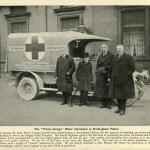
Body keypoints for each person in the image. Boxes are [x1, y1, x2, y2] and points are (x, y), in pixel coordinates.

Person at [108, 44, 135, 115]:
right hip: (115, 79)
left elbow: (132, 68)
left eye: (120, 49)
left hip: (124, 80)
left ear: (123, 49)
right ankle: (119, 108)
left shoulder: (128, 57)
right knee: (117, 94)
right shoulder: (114, 57)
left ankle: (123, 109)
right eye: (117, 49)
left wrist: (127, 75)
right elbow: (111, 67)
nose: (119, 50)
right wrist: (109, 76)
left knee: (123, 95)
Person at [94, 44, 113, 109]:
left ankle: (109, 104)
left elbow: (111, 66)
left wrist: (105, 69)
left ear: (107, 48)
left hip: (107, 75)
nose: (103, 49)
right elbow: (97, 65)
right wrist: (96, 71)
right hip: (100, 75)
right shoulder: (100, 56)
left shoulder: (111, 56)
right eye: (102, 47)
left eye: (104, 47)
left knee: (108, 90)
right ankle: (104, 104)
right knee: (102, 90)